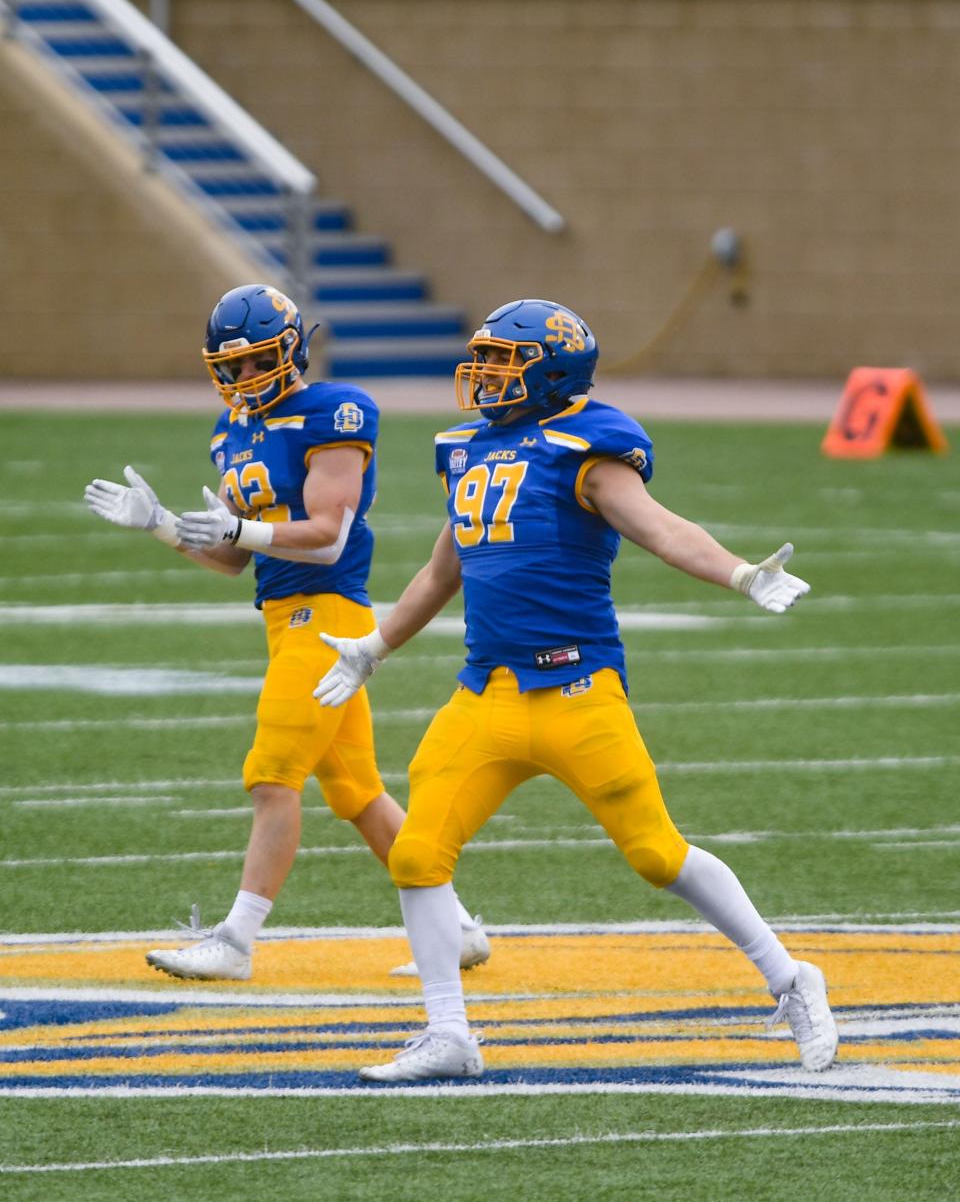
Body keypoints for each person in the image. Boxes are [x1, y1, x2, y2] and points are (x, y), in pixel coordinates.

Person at [314, 297, 839, 1082]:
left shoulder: (585, 447)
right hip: (485, 695)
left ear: (550, 369)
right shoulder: (468, 449)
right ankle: (449, 1032)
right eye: (484, 359)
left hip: (577, 690)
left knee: (658, 856)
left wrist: (737, 572)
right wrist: (373, 648)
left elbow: (661, 528)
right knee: (418, 852)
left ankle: (793, 979)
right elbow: (441, 571)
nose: (485, 375)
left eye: (502, 361)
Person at [83, 283, 488, 981]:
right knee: (358, 794)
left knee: (272, 777)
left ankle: (236, 940)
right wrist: (163, 525)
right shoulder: (231, 432)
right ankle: (456, 928)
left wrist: (241, 526)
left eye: (257, 360)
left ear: (294, 347)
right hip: (283, 618)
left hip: (326, 616)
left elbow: (327, 538)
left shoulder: (333, 411)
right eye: (232, 366)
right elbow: (234, 558)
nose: (244, 376)